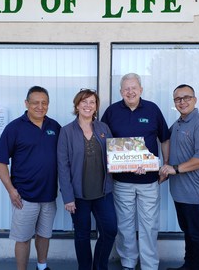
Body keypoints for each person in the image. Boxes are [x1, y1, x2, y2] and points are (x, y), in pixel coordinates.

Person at [101, 73, 170, 270]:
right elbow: (103, 141)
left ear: (141, 89)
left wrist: (165, 164)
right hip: (122, 181)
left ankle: (149, 266)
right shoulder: (112, 111)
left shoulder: (152, 109)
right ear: (121, 91)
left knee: (149, 227)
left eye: (134, 88)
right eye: (126, 89)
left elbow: (164, 138)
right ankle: (128, 263)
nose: (130, 92)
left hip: (149, 181)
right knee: (125, 226)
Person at [0, 86, 61, 270]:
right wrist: (11, 190)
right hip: (24, 196)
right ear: (26, 104)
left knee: (44, 235)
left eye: (44, 103)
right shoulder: (14, 128)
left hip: (48, 195)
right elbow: (0, 161)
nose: (40, 106)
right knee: (22, 239)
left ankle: (42, 266)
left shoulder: (54, 127)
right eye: (35, 103)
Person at [57, 88, 117, 270]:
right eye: (84, 102)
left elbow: (115, 156)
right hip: (78, 196)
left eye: (92, 102)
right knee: (82, 235)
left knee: (110, 230)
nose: (88, 106)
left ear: (96, 107)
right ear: (77, 105)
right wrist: (68, 197)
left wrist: (134, 164)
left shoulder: (103, 128)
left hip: (103, 192)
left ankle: (100, 265)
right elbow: (63, 166)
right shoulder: (66, 131)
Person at [160, 84, 199, 270]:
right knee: (189, 233)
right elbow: (164, 140)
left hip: (196, 192)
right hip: (180, 192)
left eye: (186, 97)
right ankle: (189, 266)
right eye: (177, 99)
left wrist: (174, 169)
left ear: (195, 99)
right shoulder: (177, 124)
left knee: (197, 235)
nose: (182, 102)